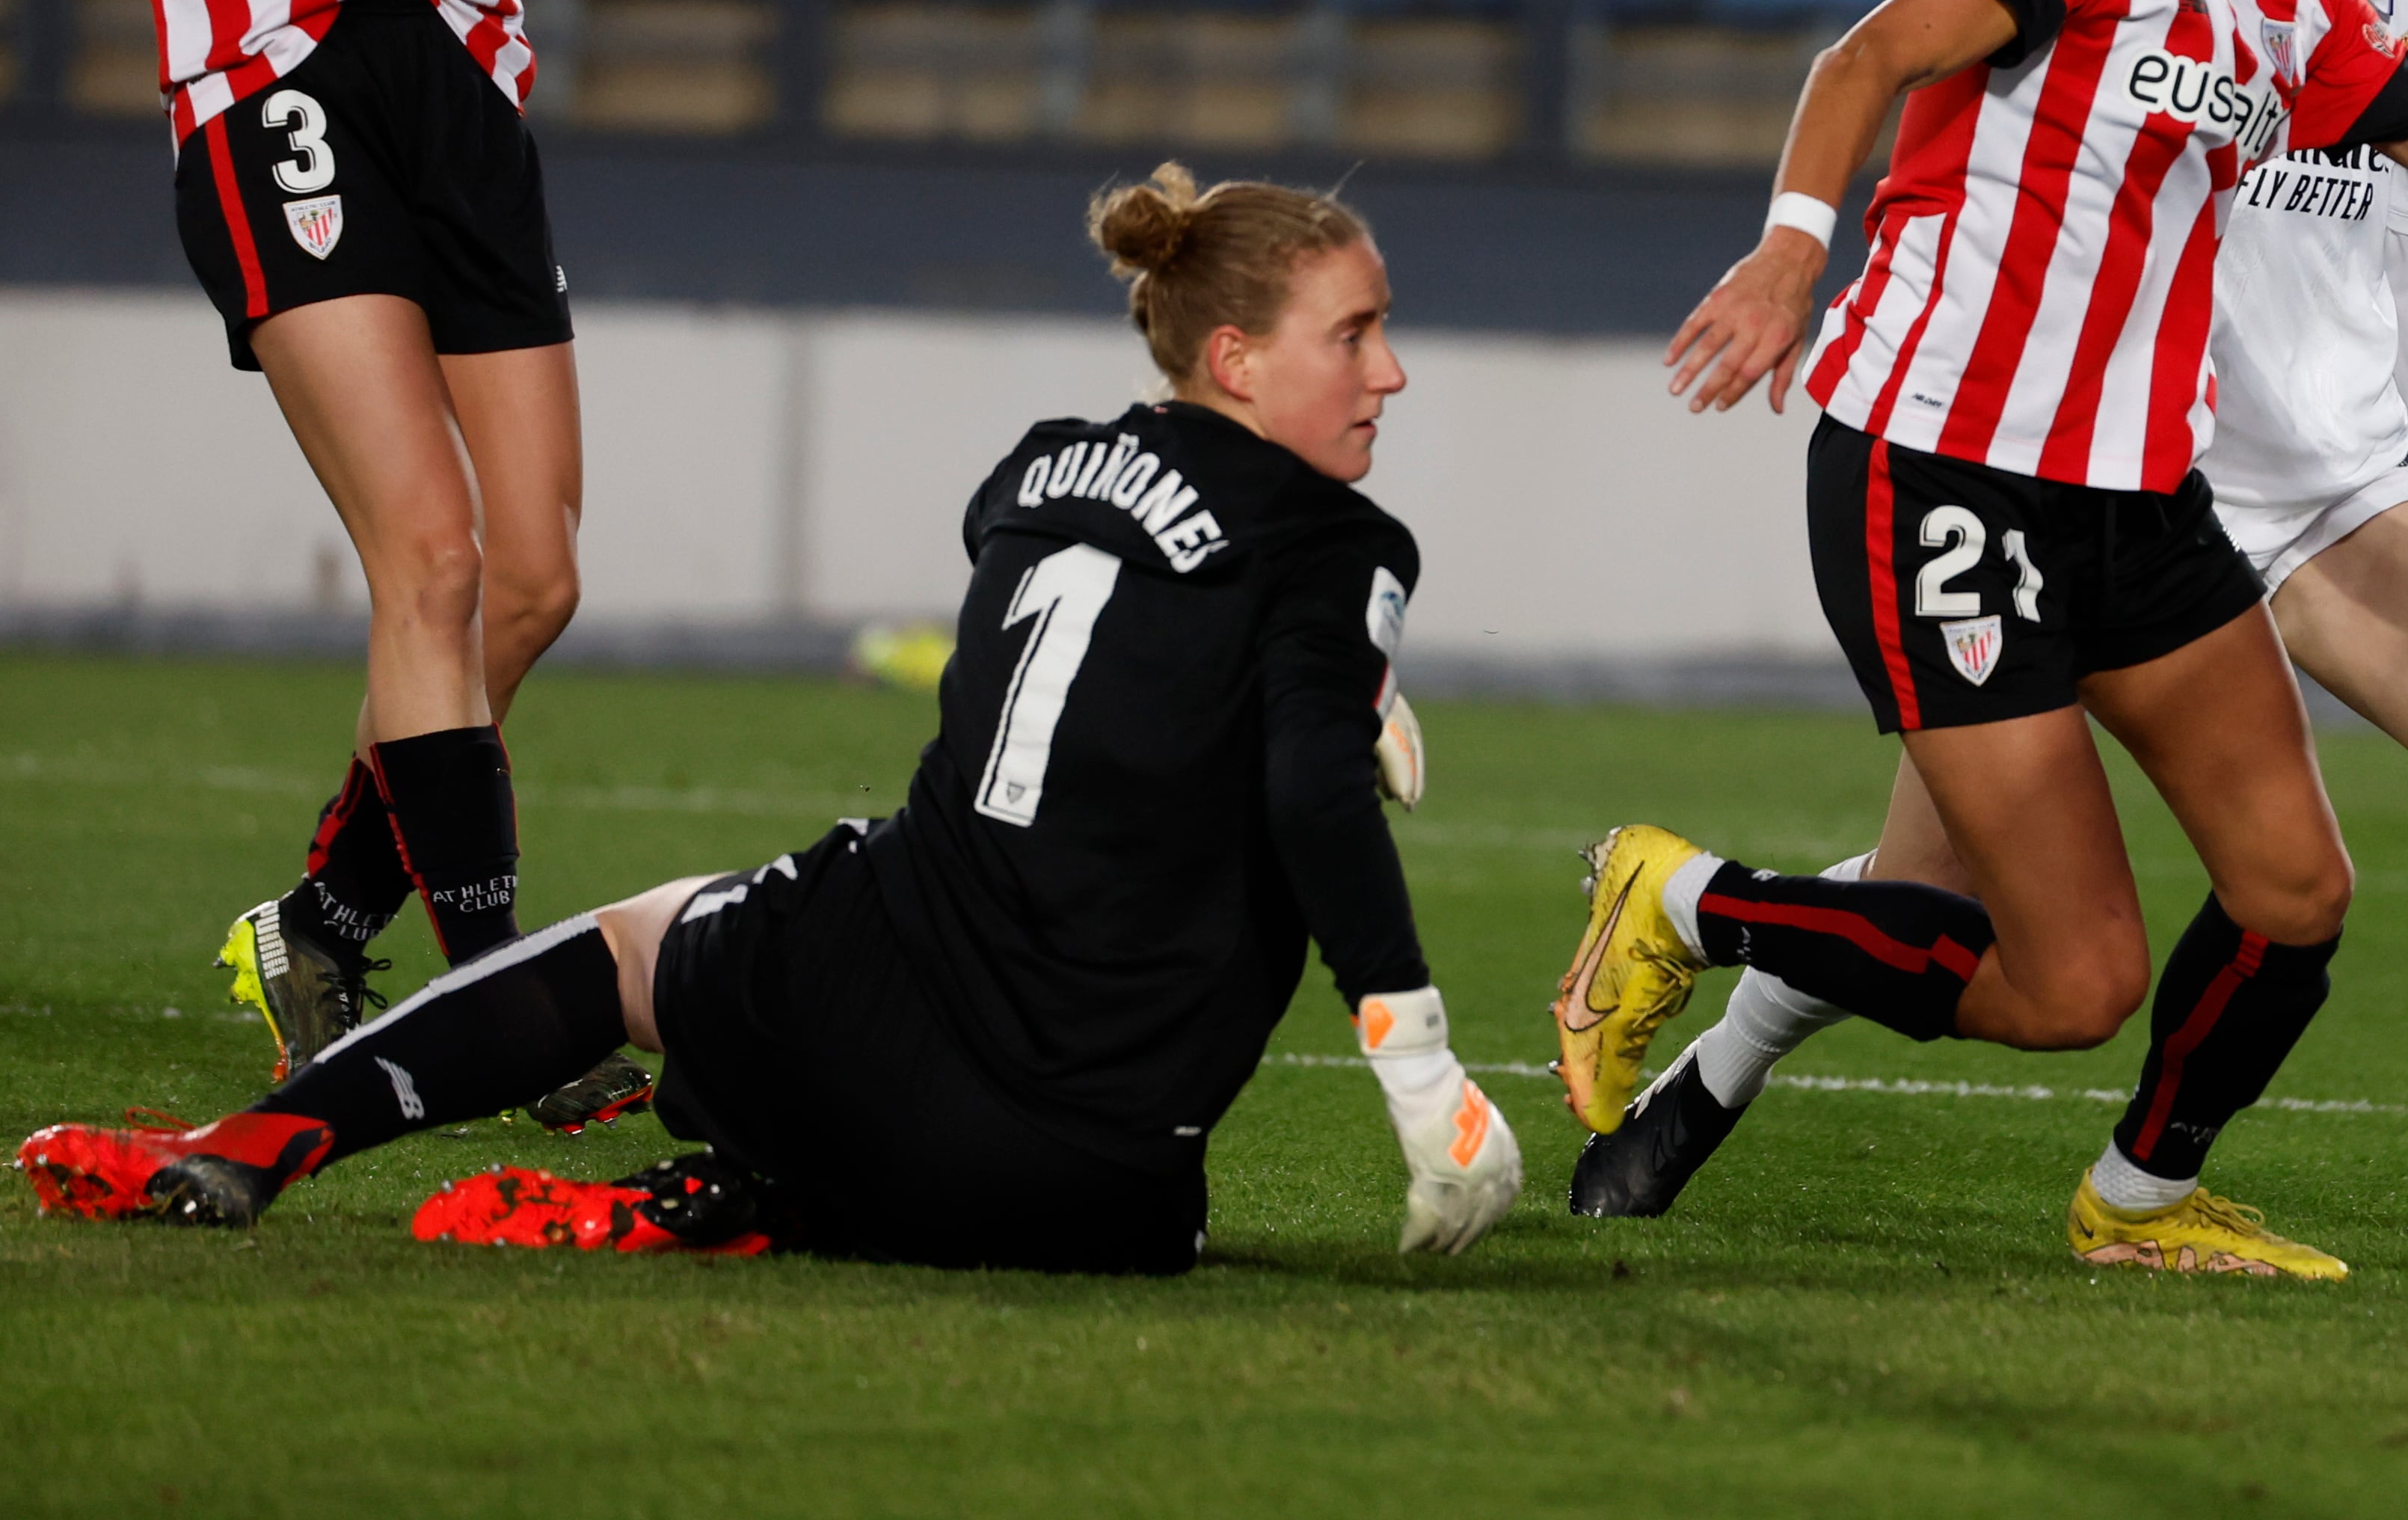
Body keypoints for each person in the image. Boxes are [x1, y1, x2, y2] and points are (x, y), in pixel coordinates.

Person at [1551, 0, 2408, 1280]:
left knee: (2295, 892)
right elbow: (1871, 52)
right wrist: (1794, 243)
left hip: (2142, 500)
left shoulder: (2300, 11)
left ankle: (2143, 1204)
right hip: (1949, 477)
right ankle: (1684, 905)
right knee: (2045, 965)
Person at [16, 171, 1521, 1275]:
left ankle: (280, 1133)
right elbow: (1309, 792)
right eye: (1358, 333)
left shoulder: (1039, 471)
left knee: (629, 947)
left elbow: (1102, 654)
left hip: (838, 1013)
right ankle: (753, 1207)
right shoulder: (1340, 547)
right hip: (1076, 1186)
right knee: (1159, 1194)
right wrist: (1425, 1075)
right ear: (1238, 358)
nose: (1389, 371)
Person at [0, 0, 765, 1118]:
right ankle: (498, 997)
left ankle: (328, 913)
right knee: (425, 554)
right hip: (283, 98)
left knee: (533, 575)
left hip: (466, 97)